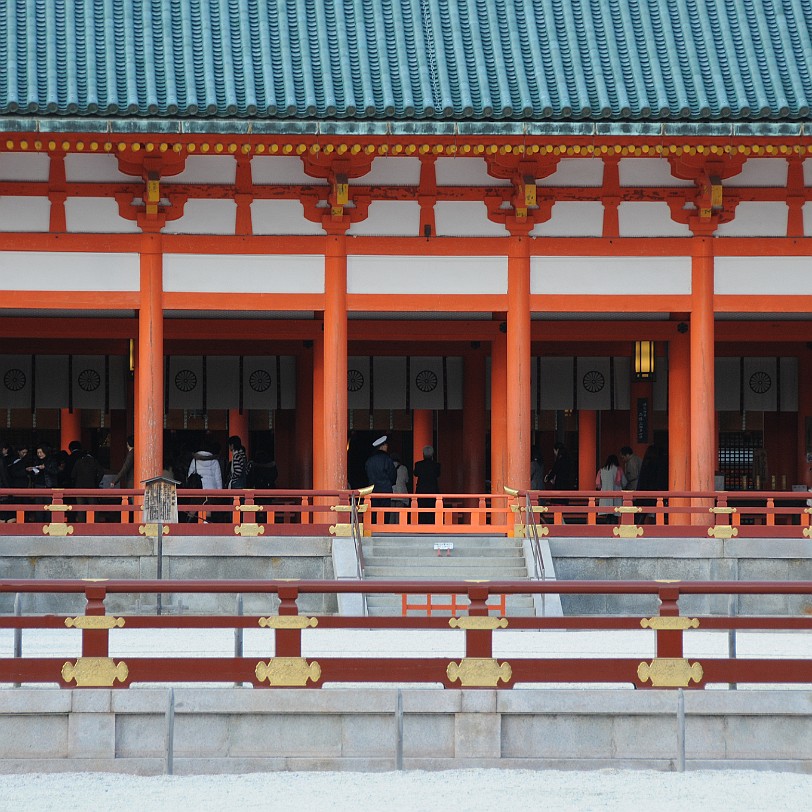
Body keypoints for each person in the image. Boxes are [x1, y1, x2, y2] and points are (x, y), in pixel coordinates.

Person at [365, 435, 397, 524]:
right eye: (385, 445)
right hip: (385, 489)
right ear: (382, 446)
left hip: (372, 489)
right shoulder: (387, 459)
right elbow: (392, 474)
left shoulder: (370, 460)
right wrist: (390, 483)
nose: (387, 446)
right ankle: (384, 528)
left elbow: (367, 473)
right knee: (385, 512)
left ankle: (374, 527)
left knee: (374, 511)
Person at [70, 444, 106, 522]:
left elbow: (73, 475)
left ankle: (81, 524)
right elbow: (101, 472)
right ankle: (94, 523)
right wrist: (96, 481)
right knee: (93, 507)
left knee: (81, 508)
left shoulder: (78, 462)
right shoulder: (94, 461)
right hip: (91, 487)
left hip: (79, 488)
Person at [413, 445, 441, 525]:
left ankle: (421, 524)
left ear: (423, 454)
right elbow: (438, 474)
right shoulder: (436, 465)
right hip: (433, 489)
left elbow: (415, 474)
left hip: (421, 490)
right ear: (432, 454)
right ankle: (432, 524)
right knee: (432, 508)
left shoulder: (418, 464)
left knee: (421, 508)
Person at [596, 454, 627, 523]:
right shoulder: (618, 470)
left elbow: (598, 484)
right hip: (616, 495)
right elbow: (624, 482)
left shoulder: (601, 470)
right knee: (615, 515)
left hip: (605, 495)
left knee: (607, 515)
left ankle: (607, 529)